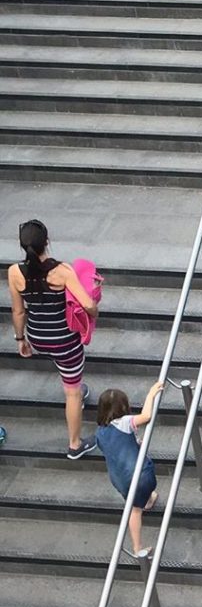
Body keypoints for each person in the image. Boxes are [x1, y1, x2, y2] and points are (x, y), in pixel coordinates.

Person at [7, 219, 99, 458]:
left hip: (38, 337)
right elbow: (88, 304)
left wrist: (20, 339)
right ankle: (75, 444)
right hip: (64, 340)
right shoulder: (62, 271)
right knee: (72, 392)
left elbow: (18, 311)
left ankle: (75, 382)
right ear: (47, 242)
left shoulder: (14, 273)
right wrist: (94, 314)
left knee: (68, 373)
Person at [95, 382, 162, 558]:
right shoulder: (124, 422)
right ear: (124, 406)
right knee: (134, 510)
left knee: (139, 498)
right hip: (138, 476)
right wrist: (151, 394)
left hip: (118, 478)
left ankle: (148, 499)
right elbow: (146, 416)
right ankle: (137, 548)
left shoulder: (100, 432)